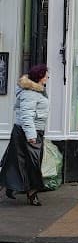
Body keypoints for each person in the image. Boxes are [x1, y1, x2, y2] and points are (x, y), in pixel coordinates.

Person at [0, 64, 49, 206]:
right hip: (28, 133)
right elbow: (26, 116)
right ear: (40, 77)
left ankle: (23, 191)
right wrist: (31, 136)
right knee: (31, 164)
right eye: (46, 75)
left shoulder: (37, 91)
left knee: (19, 163)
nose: (47, 77)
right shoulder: (30, 93)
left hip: (27, 131)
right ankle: (31, 193)